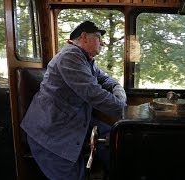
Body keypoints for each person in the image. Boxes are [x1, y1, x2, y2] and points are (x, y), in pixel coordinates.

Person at [20, 21, 127, 180]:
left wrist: (119, 90)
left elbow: (107, 81)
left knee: (118, 138)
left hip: (72, 118)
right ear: (84, 37)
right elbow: (93, 93)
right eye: (98, 37)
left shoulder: (86, 60)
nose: (102, 42)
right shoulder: (70, 56)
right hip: (52, 132)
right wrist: (123, 109)